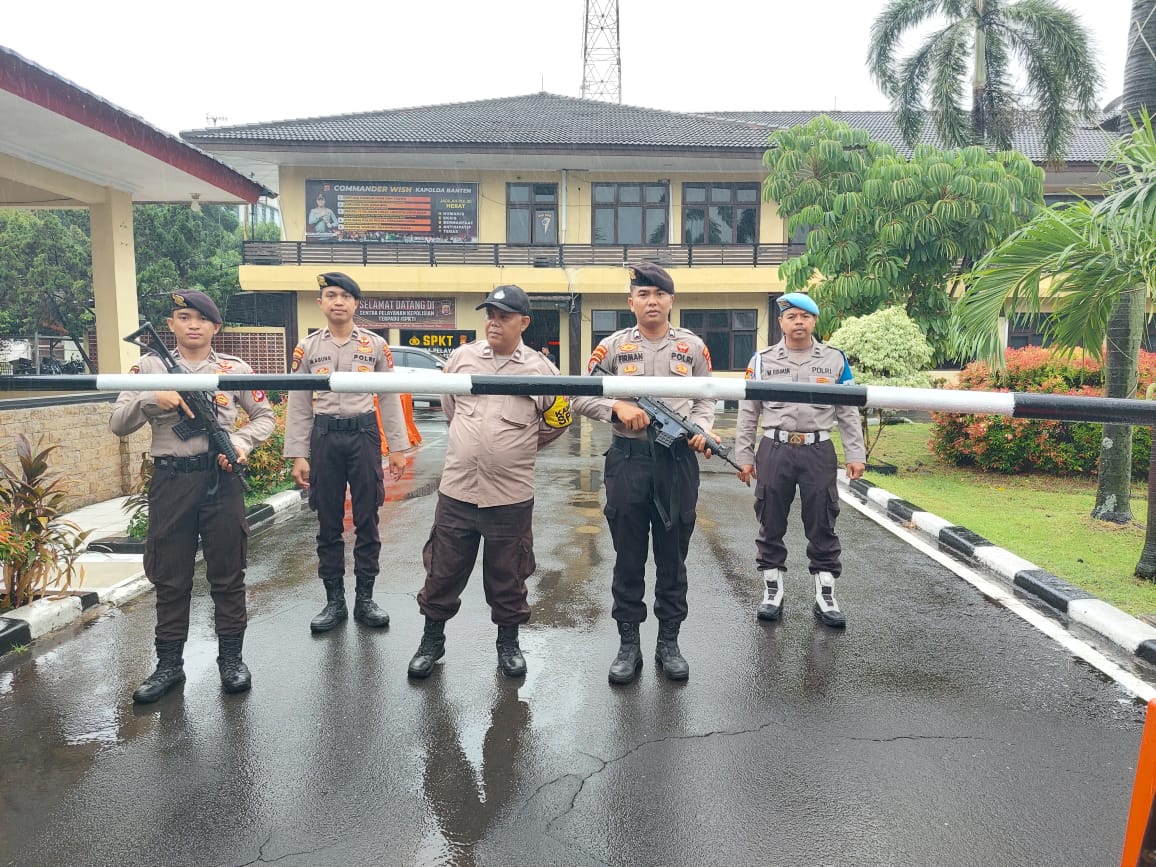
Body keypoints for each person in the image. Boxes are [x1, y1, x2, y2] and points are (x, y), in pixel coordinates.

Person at [110, 290, 274, 703]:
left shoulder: (234, 369)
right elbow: (118, 423)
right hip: (171, 480)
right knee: (170, 576)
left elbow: (264, 416)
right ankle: (168, 666)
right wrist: (153, 397)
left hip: (221, 480)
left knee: (228, 572)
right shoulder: (148, 367)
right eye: (184, 317)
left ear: (216, 327)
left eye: (202, 319)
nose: (193, 325)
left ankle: (231, 660)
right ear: (171, 325)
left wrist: (240, 442)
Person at [407, 284, 572, 679]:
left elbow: (558, 420)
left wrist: (519, 445)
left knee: (509, 574)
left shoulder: (541, 371)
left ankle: (508, 644)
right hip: (458, 490)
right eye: (490, 316)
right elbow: (450, 408)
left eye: (503, 317)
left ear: (524, 323)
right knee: (442, 571)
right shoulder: (461, 359)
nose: (494, 323)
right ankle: (432, 640)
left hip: (510, 494)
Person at [570, 262, 720, 685]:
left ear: (671, 300)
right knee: (628, 557)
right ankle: (628, 644)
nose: (651, 301)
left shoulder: (693, 347)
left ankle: (669, 643)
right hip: (628, 460)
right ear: (631, 302)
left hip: (677, 462)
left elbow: (708, 399)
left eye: (659, 294)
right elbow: (580, 396)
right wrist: (616, 407)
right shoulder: (613, 347)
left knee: (673, 557)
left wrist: (701, 430)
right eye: (643, 294)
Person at [284, 272, 410, 634]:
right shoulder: (307, 348)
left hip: (363, 435)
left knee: (367, 517)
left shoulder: (375, 345)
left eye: (345, 296)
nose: (338, 301)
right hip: (325, 436)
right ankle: (334, 601)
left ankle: (365, 599)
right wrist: (298, 454)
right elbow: (298, 401)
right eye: (331, 295)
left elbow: (389, 396)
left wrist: (397, 448)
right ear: (320, 303)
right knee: (328, 520)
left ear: (356, 303)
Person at [734, 293, 866, 628]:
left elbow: (848, 411)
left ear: (814, 321)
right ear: (781, 322)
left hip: (818, 450)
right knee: (770, 518)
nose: (798, 322)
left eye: (804, 317)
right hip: (774, 448)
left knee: (822, 519)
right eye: (791, 317)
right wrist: (744, 456)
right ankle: (772, 591)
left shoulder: (835, 360)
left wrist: (855, 453)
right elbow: (748, 412)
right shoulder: (761, 361)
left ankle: (825, 595)